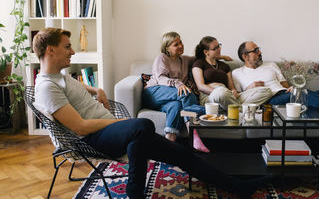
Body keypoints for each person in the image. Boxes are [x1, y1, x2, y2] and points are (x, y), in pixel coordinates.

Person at [32, 28, 266, 199]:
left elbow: (78, 87)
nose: (72, 51)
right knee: (141, 125)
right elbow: (81, 128)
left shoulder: (60, 77)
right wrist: (124, 122)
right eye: (67, 47)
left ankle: (237, 187)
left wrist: (97, 89)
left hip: (112, 131)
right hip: (92, 140)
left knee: (181, 153)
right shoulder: (47, 87)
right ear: (50, 50)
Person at [143, 32, 231, 152]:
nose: (181, 45)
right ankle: (194, 134)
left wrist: (222, 57)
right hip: (154, 92)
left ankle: (168, 146)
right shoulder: (162, 58)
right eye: (176, 44)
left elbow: (203, 57)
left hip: (171, 99)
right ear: (167, 47)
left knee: (176, 106)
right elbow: (160, 78)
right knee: (186, 93)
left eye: (181, 42)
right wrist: (178, 84)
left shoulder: (184, 60)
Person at [192, 36, 240, 110]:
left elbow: (232, 87)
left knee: (261, 91)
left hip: (226, 94)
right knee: (221, 93)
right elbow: (200, 86)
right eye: (215, 48)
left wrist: (233, 92)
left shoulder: (225, 66)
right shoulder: (199, 63)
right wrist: (218, 92)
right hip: (209, 96)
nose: (219, 49)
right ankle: (242, 111)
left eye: (219, 46)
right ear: (206, 52)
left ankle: (232, 105)